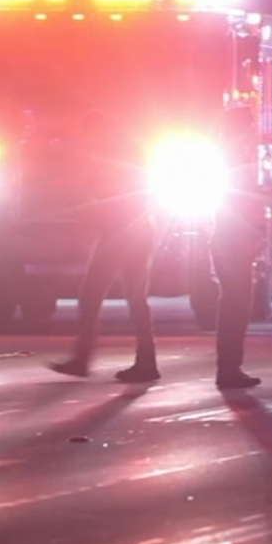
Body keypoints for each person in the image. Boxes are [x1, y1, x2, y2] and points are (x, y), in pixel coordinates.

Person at [51, 110, 159, 382]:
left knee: (92, 296)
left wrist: (87, 208)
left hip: (121, 234)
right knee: (132, 299)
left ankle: (85, 359)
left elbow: (109, 200)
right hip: (132, 232)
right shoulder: (123, 155)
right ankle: (145, 361)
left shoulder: (109, 159)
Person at [210, 105, 266, 389]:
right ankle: (229, 369)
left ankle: (229, 367)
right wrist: (250, 235)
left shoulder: (226, 156)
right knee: (236, 305)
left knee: (233, 303)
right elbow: (239, 203)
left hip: (227, 238)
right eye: (249, 124)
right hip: (233, 239)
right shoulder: (236, 159)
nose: (252, 129)